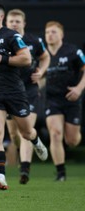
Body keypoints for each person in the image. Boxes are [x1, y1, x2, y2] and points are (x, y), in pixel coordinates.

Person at [0, 2, 48, 191]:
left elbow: (26, 58)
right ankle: (1, 176)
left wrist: (3, 59)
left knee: (25, 132)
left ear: (1, 17)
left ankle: (35, 139)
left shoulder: (11, 36)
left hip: (15, 91)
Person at [5, 8, 51, 184]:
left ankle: (24, 169)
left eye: (18, 21)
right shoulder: (3, 40)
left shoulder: (34, 41)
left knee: (26, 131)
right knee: (14, 134)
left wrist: (42, 72)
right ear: (6, 23)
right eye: (11, 21)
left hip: (29, 91)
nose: (14, 24)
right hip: (9, 91)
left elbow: (45, 57)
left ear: (24, 24)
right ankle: (24, 149)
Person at [44, 21, 84, 181]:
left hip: (71, 98)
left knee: (72, 140)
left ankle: (74, 136)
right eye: (47, 32)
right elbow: (39, 77)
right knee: (55, 133)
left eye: (54, 32)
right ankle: (60, 173)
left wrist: (79, 89)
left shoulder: (73, 51)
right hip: (52, 99)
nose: (50, 35)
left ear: (61, 35)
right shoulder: (43, 55)